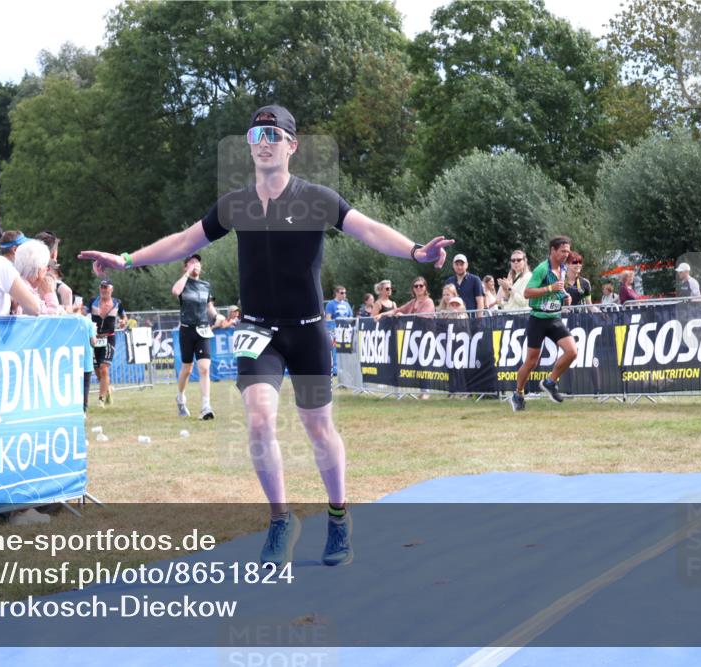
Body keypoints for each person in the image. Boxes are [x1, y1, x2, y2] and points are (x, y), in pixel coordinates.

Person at [79, 104, 453, 568]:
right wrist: (127, 259)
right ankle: (281, 519)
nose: (263, 141)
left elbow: (369, 231)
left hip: (308, 331)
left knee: (319, 428)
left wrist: (416, 251)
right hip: (257, 331)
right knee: (258, 420)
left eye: (273, 134)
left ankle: (338, 516)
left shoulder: (317, 198)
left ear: (292, 145)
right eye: (256, 135)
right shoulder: (235, 204)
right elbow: (184, 241)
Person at [510, 236, 577, 412]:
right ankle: (518, 393)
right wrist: (549, 289)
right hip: (538, 319)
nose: (566, 254)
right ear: (553, 251)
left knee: (572, 352)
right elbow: (527, 293)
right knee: (531, 361)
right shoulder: (541, 269)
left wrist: (564, 295)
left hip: (554, 318)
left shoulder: (562, 267)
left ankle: (550, 382)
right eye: (563, 251)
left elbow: (558, 287)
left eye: (568, 251)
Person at [172, 254, 221, 419]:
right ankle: (180, 397)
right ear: (185, 267)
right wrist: (186, 275)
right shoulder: (183, 283)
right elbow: (175, 291)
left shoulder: (205, 285)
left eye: (197, 262)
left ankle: (206, 406)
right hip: (187, 330)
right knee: (187, 368)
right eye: (191, 262)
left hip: (203, 330)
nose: (195, 265)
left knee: (205, 368)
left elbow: (210, 308)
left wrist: (217, 317)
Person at [89, 279, 126, 408]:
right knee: (97, 370)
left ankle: (101, 400)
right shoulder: (93, 301)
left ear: (111, 289)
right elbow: (83, 312)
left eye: (106, 287)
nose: (104, 290)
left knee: (104, 368)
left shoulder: (117, 303)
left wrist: (123, 322)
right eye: (102, 287)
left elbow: (123, 317)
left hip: (109, 338)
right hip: (94, 338)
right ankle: (107, 390)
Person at [14, 240, 63, 314]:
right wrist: (50, 293)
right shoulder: (27, 290)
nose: (47, 270)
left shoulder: (19, 282)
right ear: (38, 269)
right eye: (45, 266)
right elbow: (52, 316)